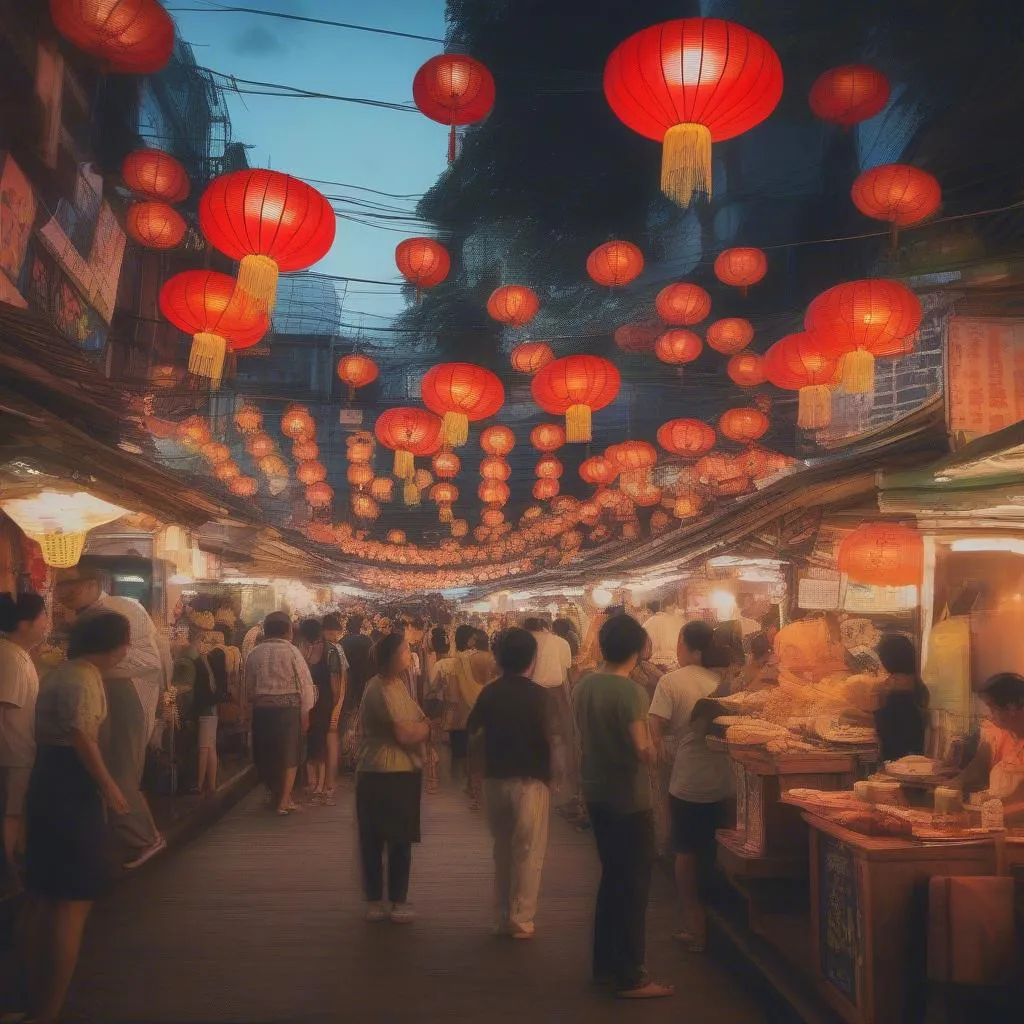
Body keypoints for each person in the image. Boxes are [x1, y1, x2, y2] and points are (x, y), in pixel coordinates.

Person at [21, 612, 132, 1024]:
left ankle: (31, 998)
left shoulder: (61, 673)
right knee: (71, 904)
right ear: (114, 645)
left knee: (43, 899)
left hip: (46, 783)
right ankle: (48, 1010)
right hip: (72, 789)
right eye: (126, 642)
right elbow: (82, 735)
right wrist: (109, 785)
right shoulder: (85, 678)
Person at [572, 614, 672, 999]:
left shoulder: (584, 685)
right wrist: (656, 749)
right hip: (628, 798)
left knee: (612, 879)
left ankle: (605, 966)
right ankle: (632, 975)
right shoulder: (630, 692)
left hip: (595, 792)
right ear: (638, 649)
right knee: (632, 886)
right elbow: (642, 750)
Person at [55, 571, 166, 869]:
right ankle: (128, 839)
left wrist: (96, 658)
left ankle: (143, 838)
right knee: (107, 769)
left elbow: (151, 661)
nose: (62, 593)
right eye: (58, 586)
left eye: (70, 585)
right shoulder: (82, 616)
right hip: (103, 692)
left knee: (118, 771)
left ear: (92, 583)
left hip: (120, 693)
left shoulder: (121, 608)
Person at [648, 621, 733, 953]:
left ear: (686, 645)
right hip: (725, 782)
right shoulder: (721, 682)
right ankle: (716, 921)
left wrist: (658, 756)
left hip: (687, 781)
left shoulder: (671, 681)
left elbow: (655, 727)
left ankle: (695, 925)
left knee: (686, 852)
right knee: (716, 851)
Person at [467, 628, 551, 940]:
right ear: (532, 658)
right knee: (528, 851)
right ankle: (522, 917)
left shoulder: (489, 692)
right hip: (530, 780)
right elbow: (548, 739)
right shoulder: (539, 695)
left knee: (502, 849)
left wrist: (474, 775)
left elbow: (473, 732)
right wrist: (555, 775)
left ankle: (503, 915)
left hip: (495, 778)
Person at [357, 633, 430, 924]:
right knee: (375, 839)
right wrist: (424, 730)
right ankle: (377, 900)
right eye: (406, 650)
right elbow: (406, 731)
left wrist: (421, 727)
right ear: (391, 656)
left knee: (400, 840)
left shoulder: (397, 685)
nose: (410, 654)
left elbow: (419, 720)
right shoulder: (378, 689)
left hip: (401, 769)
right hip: (382, 770)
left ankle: (397, 899)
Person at [244, 612, 317, 815]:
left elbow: (248, 686)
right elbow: (306, 685)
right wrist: (306, 712)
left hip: (262, 710)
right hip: (288, 710)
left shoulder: (254, 653)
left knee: (266, 754)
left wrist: (250, 709)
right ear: (287, 631)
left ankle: (274, 794)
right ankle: (284, 800)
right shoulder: (293, 652)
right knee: (289, 755)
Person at [0, 593, 48, 893]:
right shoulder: (11, 658)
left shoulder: (16, 654)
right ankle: (6, 880)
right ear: (24, 623)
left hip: (16, 753)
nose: (47, 624)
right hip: (11, 754)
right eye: (43, 617)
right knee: (10, 814)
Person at [955, 673, 1024, 818]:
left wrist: (986, 816)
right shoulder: (999, 734)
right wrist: (945, 789)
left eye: (992, 709)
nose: (990, 715)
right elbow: (972, 772)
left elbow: (1019, 801)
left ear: (1011, 709)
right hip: (993, 817)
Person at [296, 618, 344, 805]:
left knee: (321, 745)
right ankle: (315, 785)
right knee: (313, 743)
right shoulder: (305, 652)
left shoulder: (330, 652)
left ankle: (324, 787)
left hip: (324, 704)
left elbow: (336, 686)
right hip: (310, 703)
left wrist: (335, 711)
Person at [873, 633, 929, 762]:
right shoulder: (916, 681)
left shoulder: (897, 689)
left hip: (901, 759)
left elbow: (890, 731)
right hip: (913, 754)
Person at [443, 624, 483, 797]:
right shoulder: (481, 659)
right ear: (467, 640)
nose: (475, 641)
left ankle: (456, 787)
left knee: (459, 752)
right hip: (479, 712)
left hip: (460, 713)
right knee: (476, 752)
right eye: (473, 638)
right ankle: (473, 787)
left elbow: (452, 695)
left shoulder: (455, 662)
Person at [340, 614, 375, 770]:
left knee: (348, 721)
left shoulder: (342, 642)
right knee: (363, 722)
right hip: (364, 685)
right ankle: (362, 756)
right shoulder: (367, 641)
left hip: (348, 686)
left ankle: (348, 757)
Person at [321, 613, 349, 795]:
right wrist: (339, 703)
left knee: (327, 740)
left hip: (325, 702)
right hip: (336, 701)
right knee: (332, 740)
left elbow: (335, 680)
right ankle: (330, 782)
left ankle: (325, 783)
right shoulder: (336, 649)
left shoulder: (326, 649)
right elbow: (341, 678)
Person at [643, 600, 684, 673]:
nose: (674, 607)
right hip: (672, 666)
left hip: (654, 667)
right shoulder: (677, 622)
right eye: (672, 605)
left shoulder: (650, 622)